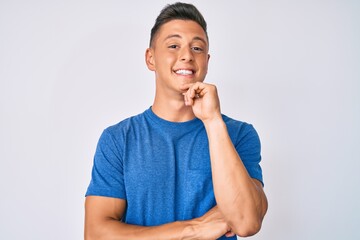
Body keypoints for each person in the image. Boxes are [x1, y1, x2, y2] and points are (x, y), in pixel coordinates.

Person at [84, 2, 268, 239]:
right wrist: (195, 228)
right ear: (151, 59)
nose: (187, 56)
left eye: (197, 48)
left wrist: (213, 121)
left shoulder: (239, 134)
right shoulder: (118, 139)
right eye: (173, 45)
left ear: (207, 61)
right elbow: (96, 234)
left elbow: (246, 222)